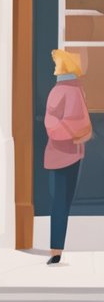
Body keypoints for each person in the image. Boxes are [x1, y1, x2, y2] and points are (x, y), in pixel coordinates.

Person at [44, 48, 94, 266]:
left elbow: (53, 126)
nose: (54, 67)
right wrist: (80, 135)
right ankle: (56, 249)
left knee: (59, 203)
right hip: (72, 154)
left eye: (57, 63)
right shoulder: (77, 89)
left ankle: (56, 250)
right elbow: (82, 124)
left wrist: (76, 133)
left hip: (60, 155)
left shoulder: (61, 90)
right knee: (62, 203)